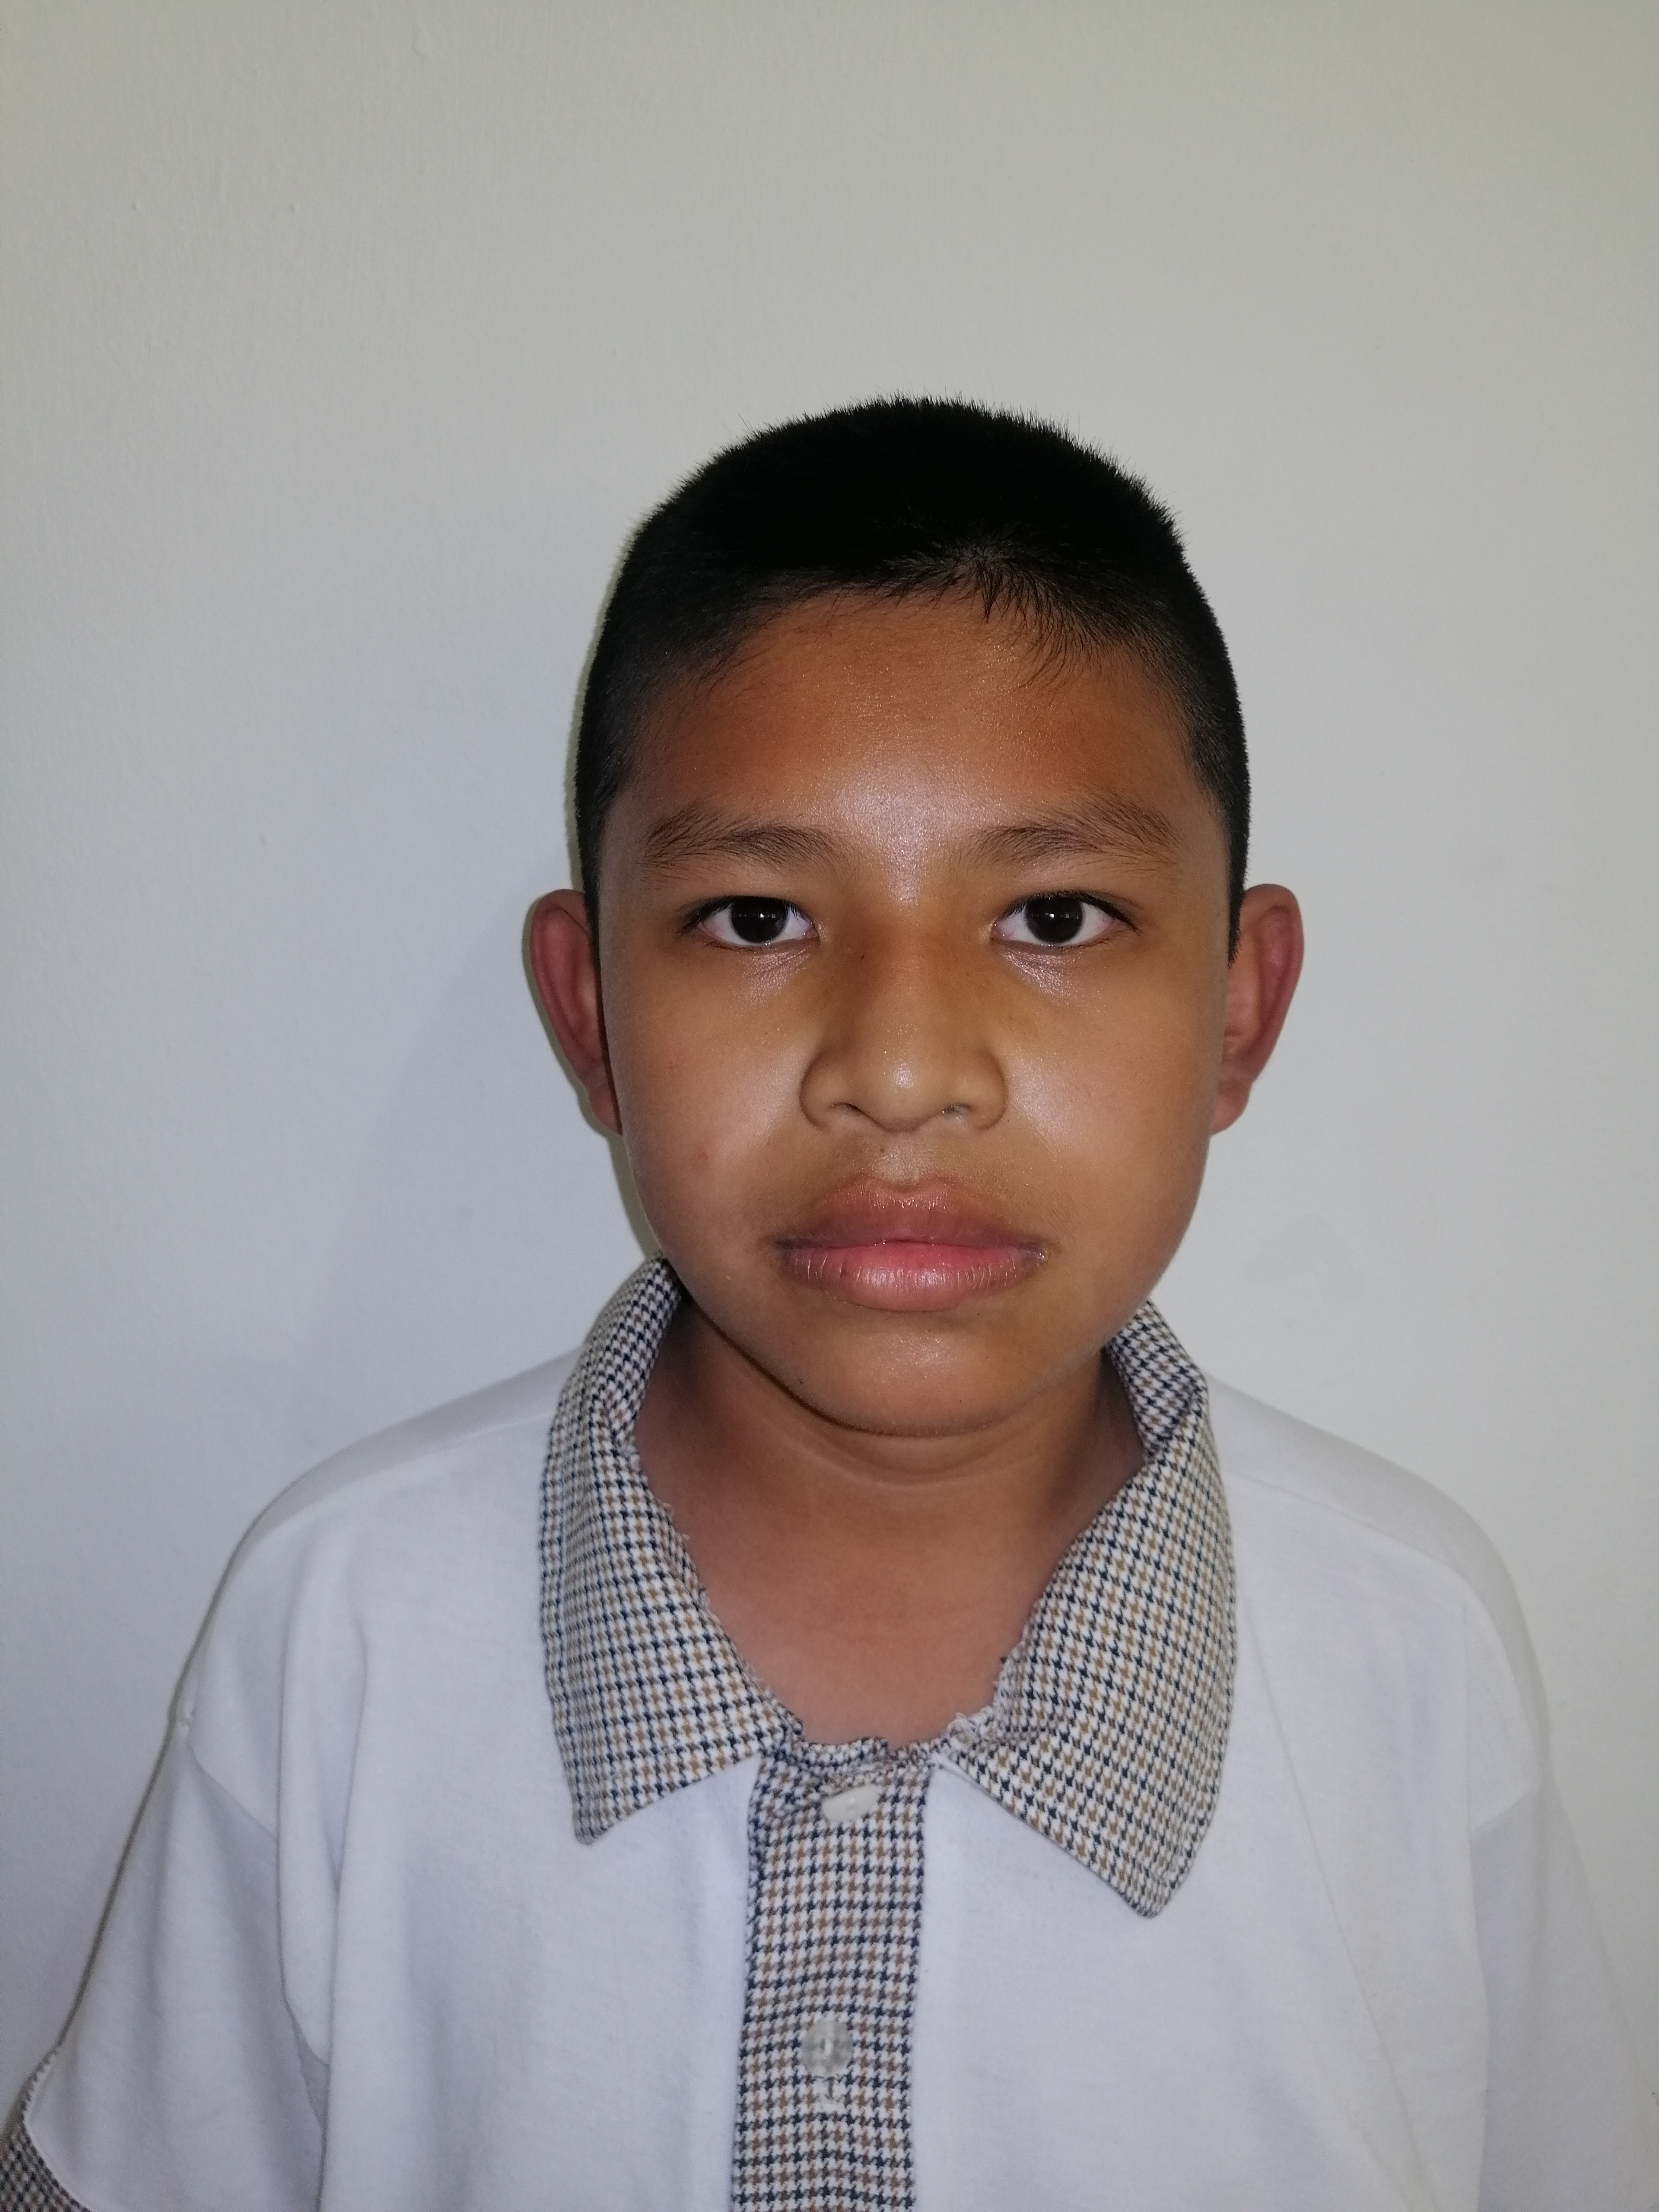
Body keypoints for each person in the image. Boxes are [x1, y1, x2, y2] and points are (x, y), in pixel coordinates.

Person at [4, 400, 1653, 2212]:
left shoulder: (1407, 1649)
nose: (902, 1067)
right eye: (756, 919)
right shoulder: (345, 1626)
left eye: (1056, 916)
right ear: (588, 1013)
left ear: (1239, 1012)